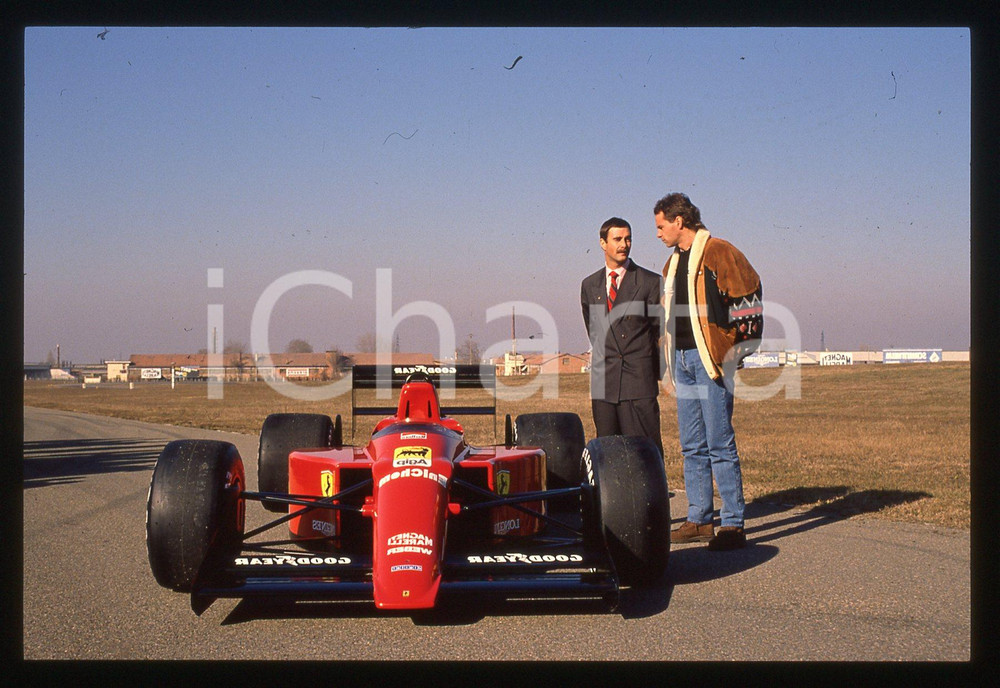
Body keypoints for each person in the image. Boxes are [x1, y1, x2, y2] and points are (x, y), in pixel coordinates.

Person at [655, 193, 762, 551]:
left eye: (660, 226)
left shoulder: (719, 251)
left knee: (719, 442)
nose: (658, 234)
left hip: (710, 360)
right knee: (691, 445)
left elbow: (749, 296)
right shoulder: (670, 266)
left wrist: (734, 352)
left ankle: (732, 523)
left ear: (678, 221)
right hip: (681, 360)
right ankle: (699, 519)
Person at [581, 217, 664, 457]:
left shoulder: (650, 282)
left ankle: (651, 495)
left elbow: (659, 332)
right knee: (608, 454)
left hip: (638, 383)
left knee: (644, 453)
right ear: (602, 243)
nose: (623, 245)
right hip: (604, 383)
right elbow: (595, 331)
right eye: (617, 239)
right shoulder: (589, 285)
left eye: (628, 239)